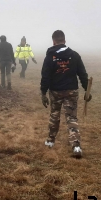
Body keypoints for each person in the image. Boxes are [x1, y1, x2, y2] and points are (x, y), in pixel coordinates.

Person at [40, 30, 91, 158]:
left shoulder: (50, 57)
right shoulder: (74, 55)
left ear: (54, 41)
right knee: (71, 118)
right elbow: (83, 75)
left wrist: (43, 93)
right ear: (64, 40)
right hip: (71, 91)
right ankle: (76, 146)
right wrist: (87, 90)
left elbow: (45, 76)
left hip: (55, 91)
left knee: (54, 115)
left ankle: (50, 141)